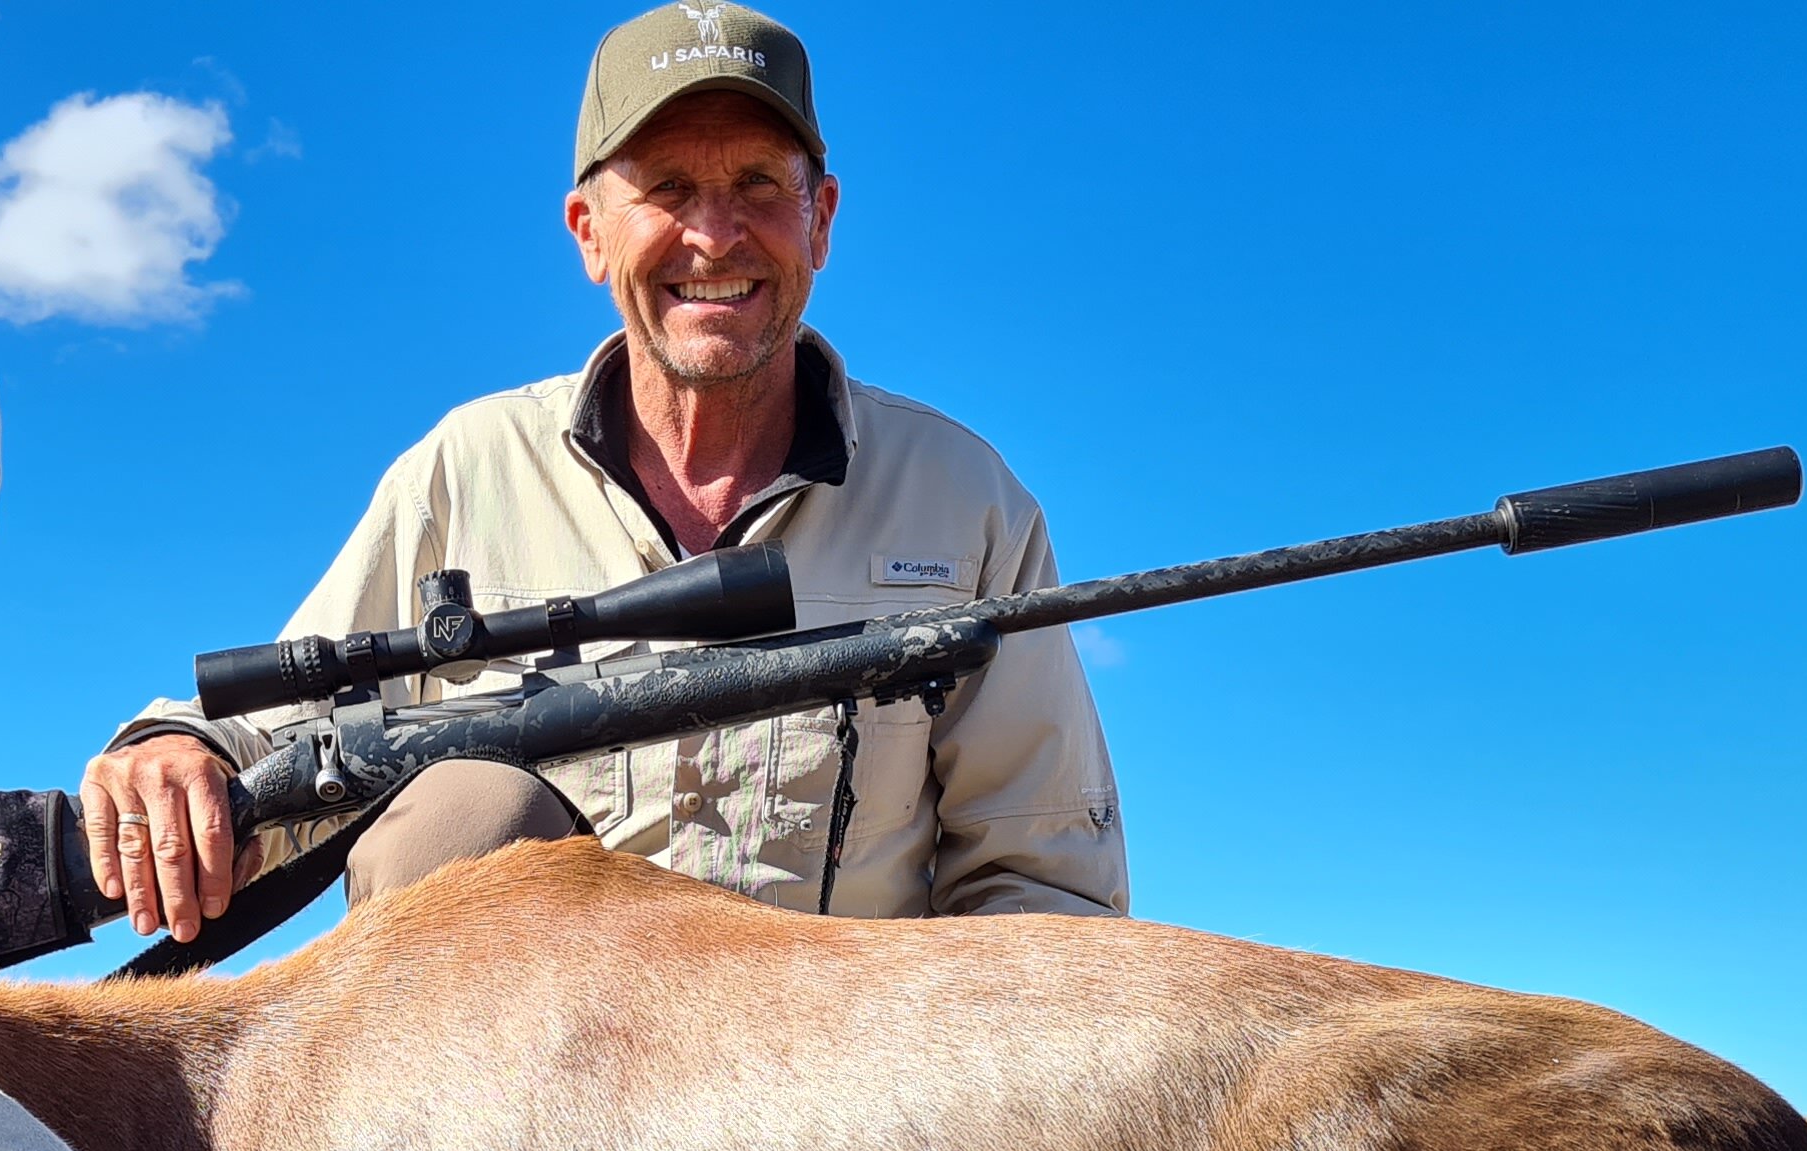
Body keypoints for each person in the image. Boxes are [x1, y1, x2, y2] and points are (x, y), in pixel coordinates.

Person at [83, 1, 1125, 943]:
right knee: (462, 818)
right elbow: (279, 736)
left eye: (759, 184)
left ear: (822, 219)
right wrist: (174, 755)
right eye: (667, 187)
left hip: (836, 1119)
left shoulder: (968, 498)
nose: (715, 235)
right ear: (588, 233)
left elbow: (1046, 889)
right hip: (510, 1120)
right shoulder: (465, 470)